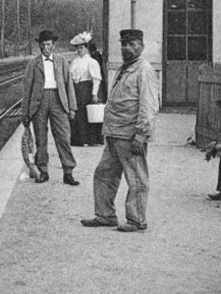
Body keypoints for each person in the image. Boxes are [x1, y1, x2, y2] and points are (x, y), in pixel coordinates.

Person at [81, 28, 160, 232]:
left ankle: (136, 220)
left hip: (130, 135)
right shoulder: (125, 68)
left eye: (132, 44)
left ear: (141, 47)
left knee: (136, 178)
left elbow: (149, 106)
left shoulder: (144, 71)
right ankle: (105, 215)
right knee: (103, 174)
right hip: (114, 133)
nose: (126, 48)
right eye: (124, 44)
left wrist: (141, 135)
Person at [19, 30, 79, 185]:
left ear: (53, 45)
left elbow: (68, 85)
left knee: (63, 137)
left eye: (48, 44)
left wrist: (72, 107)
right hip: (39, 102)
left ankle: (68, 172)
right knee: (41, 139)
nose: (45, 47)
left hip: (58, 101)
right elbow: (27, 89)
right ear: (39, 45)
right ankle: (43, 171)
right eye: (43, 44)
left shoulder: (62, 61)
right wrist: (25, 113)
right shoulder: (33, 64)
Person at [69, 31, 104, 147]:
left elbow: (96, 79)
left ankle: (90, 139)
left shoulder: (92, 62)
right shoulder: (74, 62)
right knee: (77, 113)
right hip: (76, 89)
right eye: (77, 48)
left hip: (86, 89)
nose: (79, 50)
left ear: (86, 48)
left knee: (87, 114)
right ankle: (78, 139)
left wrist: (94, 93)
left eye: (81, 48)